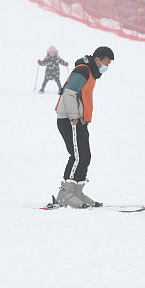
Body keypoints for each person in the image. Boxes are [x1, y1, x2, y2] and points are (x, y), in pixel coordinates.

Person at [53, 46, 114, 208]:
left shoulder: (91, 73)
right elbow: (68, 93)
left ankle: (77, 191)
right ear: (97, 59)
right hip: (70, 119)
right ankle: (65, 194)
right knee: (77, 155)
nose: (106, 67)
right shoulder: (83, 70)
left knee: (86, 156)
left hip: (80, 120)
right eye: (106, 63)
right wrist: (74, 117)